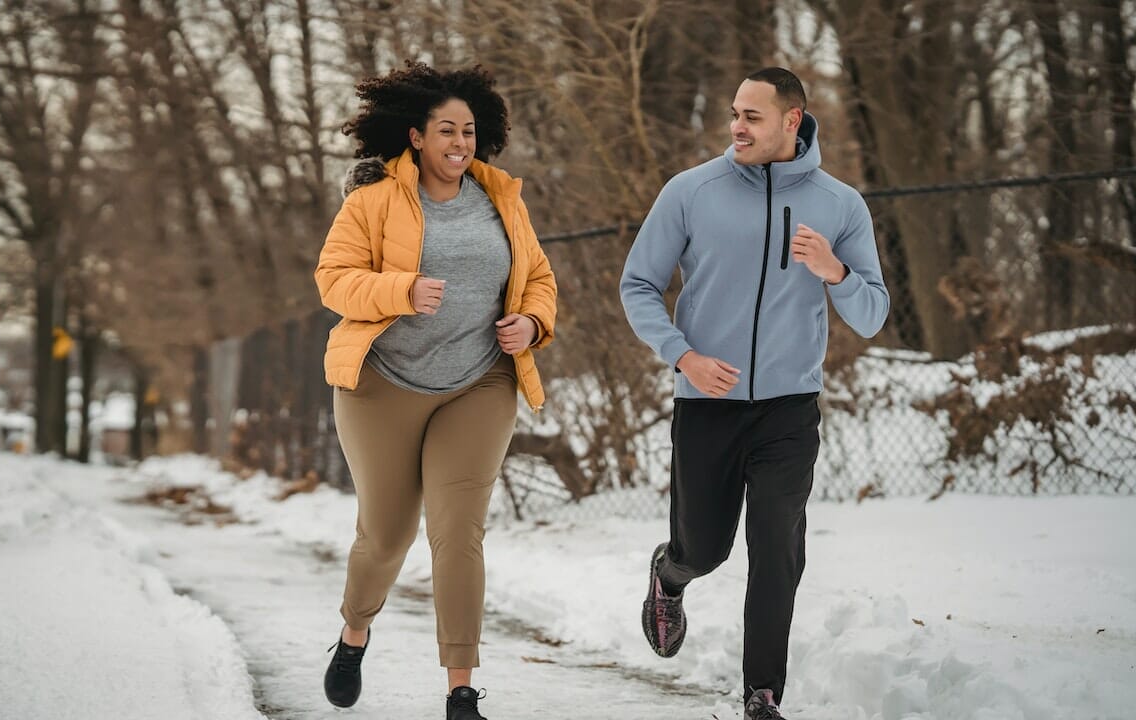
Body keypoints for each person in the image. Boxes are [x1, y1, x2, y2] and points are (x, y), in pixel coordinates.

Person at [619, 67, 889, 720]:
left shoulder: (840, 205)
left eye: (753, 116)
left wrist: (837, 272)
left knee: (777, 550)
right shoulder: (691, 192)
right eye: (734, 113)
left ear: (792, 121)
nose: (737, 126)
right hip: (706, 402)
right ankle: (671, 574)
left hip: (789, 408)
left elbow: (874, 313)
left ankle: (761, 695)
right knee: (706, 548)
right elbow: (638, 285)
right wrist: (684, 356)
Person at [314, 61, 557, 720]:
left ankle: (460, 689)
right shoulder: (372, 202)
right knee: (387, 536)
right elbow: (333, 280)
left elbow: (538, 277)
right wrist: (399, 290)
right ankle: (354, 633)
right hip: (382, 386)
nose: (460, 142)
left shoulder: (501, 198)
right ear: (416, 136)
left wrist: (532, 321)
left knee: (458, 532)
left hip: (478, 381)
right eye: (446, 130)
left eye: (469, 131)